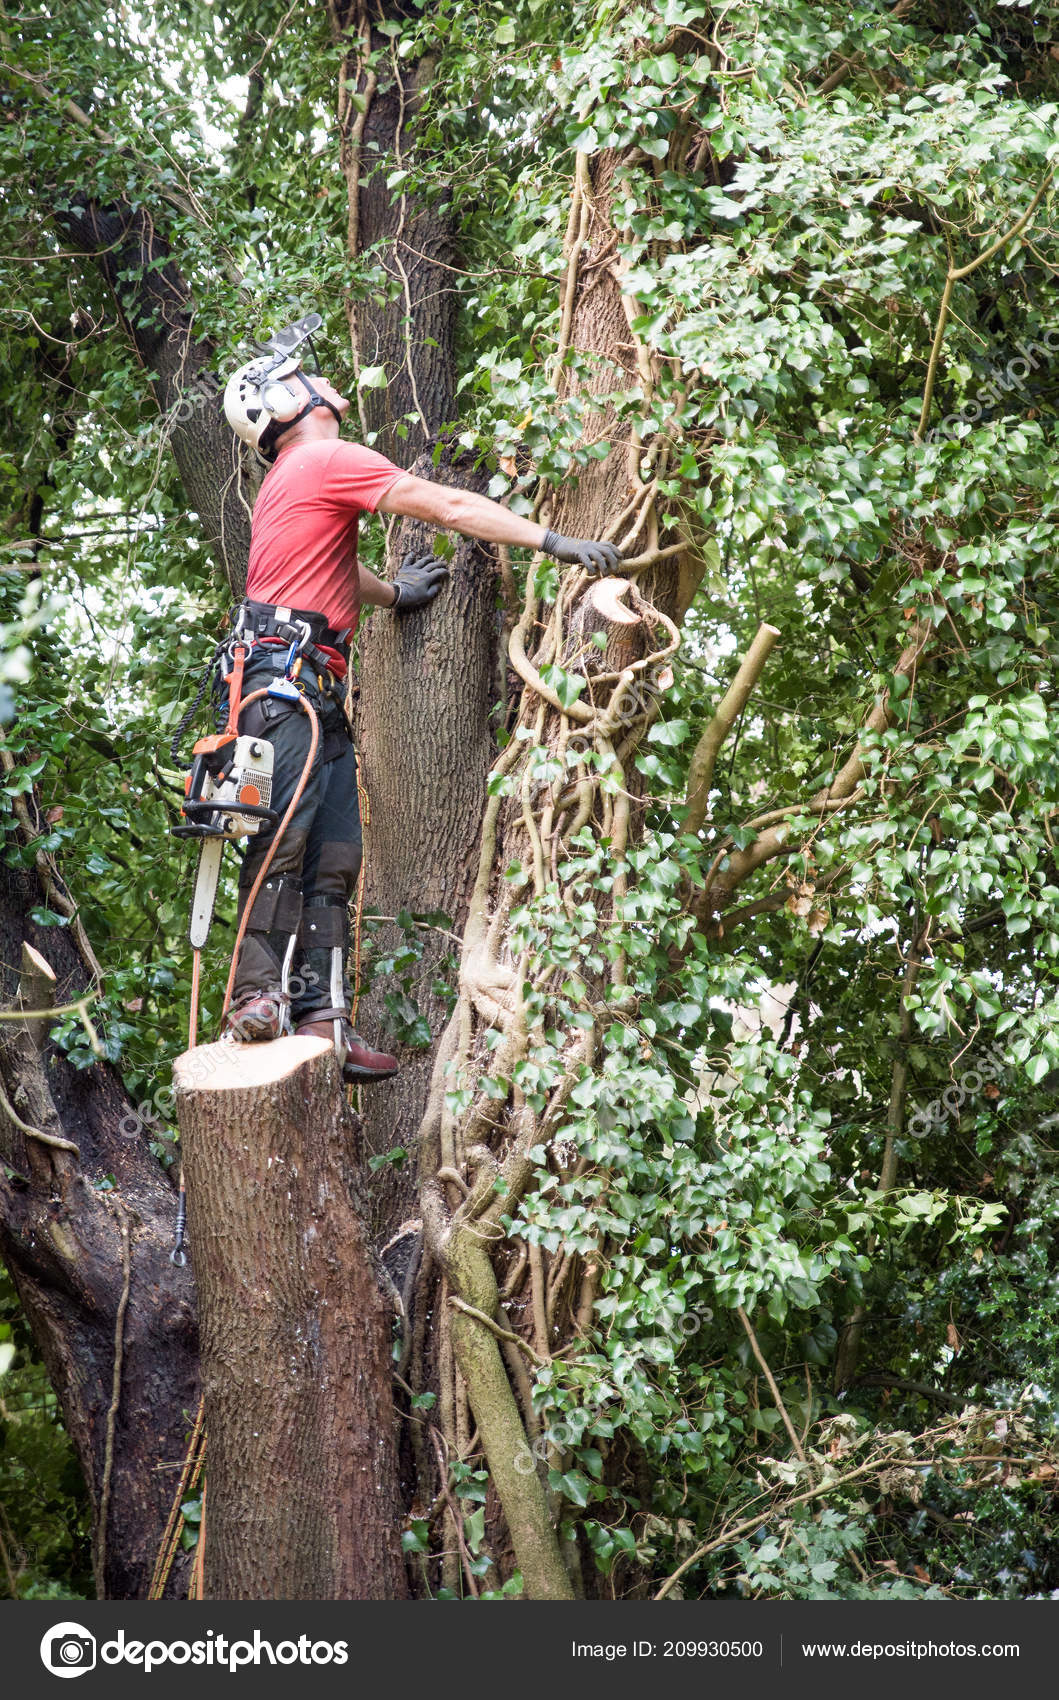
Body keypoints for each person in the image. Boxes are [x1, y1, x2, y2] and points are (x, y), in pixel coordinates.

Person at [220, 317, 621, 1083]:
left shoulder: (297, 480)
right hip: (283, 683)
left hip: (310, 683)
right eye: (302, 378)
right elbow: (443, 507)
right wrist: (550, 542)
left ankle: (322, 1015)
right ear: (283, 402)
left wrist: (392, 593)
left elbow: (326, 568)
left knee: (335, 859)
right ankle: (254, 998)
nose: (320, 383)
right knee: (284, 843)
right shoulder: (322, 458)